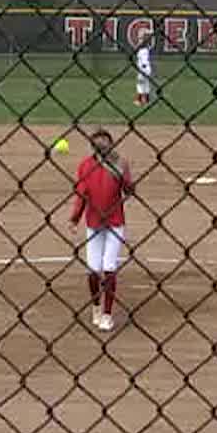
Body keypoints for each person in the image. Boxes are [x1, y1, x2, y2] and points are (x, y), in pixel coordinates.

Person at [69, 129, 135, 331]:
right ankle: (96, 307)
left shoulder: (119, 164)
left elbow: (129, 191)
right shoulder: (86, 166)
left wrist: (122, 173)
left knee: (109, 266)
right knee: (93, 268)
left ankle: (107, 314)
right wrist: (75, 218)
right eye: (99, 143)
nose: (103, 145)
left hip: (115, 221)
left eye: (106, 142)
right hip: (94, 222)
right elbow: (82, 194)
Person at [133, 39, 156, 106]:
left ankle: (139, 100)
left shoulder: (141, 51)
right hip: (148, 69)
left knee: (140, 84)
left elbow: (143, 61)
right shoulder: (146, 50)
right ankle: (147, 99)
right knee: (146, 83)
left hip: (143, 69)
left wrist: (142, 69)